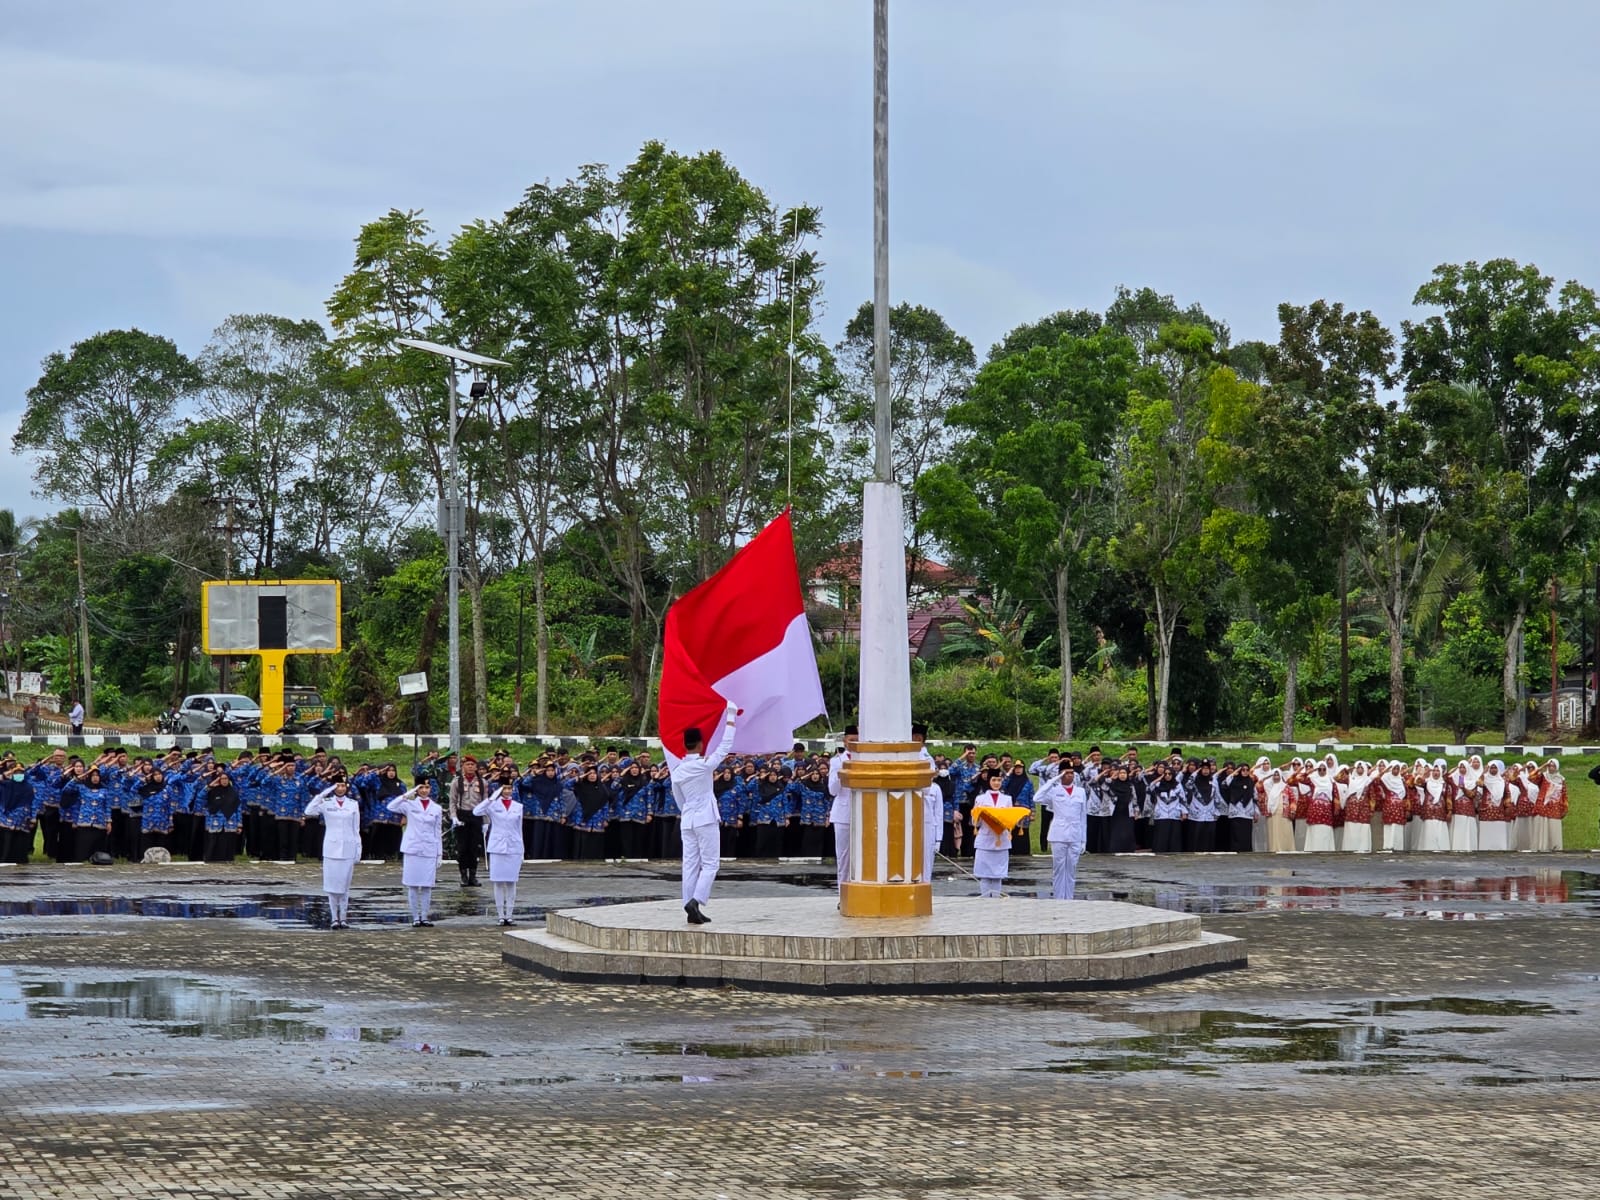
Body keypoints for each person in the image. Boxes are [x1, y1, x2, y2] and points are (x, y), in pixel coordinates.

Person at [669, 701, 738, 925]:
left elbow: (679, 798)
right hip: (705, 818)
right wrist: (730, 717)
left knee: (690, 864)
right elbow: (725, 745)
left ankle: (690, 906)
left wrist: (688, 810)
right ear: (699, 744)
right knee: (710, 864)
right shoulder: (703, 765)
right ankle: (696, 901)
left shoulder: (678, 770)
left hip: (687, 819)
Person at [306, 778, 362, 929]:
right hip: (331, 848)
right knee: (332, 885)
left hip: (348, 847)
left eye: (343, 785)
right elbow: (309, 810)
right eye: (337, 786)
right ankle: (334, 918)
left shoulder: (353, 804)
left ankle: (343, 918)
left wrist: (358, 848)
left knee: (344, 885)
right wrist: (324, 793)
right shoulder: (326, 803)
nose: (341, 788)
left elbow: (356, 828)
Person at [387, 780, 444, 927]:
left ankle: (424, 916)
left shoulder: (436, 808)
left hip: (429, 848)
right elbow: (391, 806)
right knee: (412, 885)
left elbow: (437, 831)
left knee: (427, 885)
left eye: (427, 787)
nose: (424, 790)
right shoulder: (409, 805)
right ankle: (415, 917)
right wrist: (408, 794)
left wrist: (439, 853)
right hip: (412, 848)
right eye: (421, 787)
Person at [473, 774, 525, 925]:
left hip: (514, 846)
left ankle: (509, 914)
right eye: (504, 788)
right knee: (498, 882)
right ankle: (500, 915)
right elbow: (476, 811)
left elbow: (519, 829)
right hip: (497, 846)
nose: (507, 791)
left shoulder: (518, 806)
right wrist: (491, 798)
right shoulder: (493, 806)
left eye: (509, 788)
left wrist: (522, 850)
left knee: (511, 882)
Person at [1035, 766, 1087, 899]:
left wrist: (1083, 839)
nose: (1070, 775)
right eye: (1066, 773)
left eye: (1071, 773)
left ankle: (1069, 898)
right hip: (1058, 834)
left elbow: (1083, 817)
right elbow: (1037, 797)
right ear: (1061, 774)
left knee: (1071, 869)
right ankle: (1058, 898)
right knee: (1059, 868)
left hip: (1075, 833)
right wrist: (1053, 780)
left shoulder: (1080, 791)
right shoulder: (1054, 791)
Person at [827, 724, 857, 893]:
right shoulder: (836, 761)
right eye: (851, 740)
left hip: (864, 812)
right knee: (844, 857)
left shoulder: (866, 759)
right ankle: (843, 894)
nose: (854, 743)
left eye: (857, 740)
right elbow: (832, 790)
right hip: (843, 813)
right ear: (845, 741)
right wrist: (842, 774)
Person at [971, 771, 1012, 897]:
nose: (996, 783)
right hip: (985, 839)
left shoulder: (1007, 799)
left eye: (999, 780)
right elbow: (975, 823)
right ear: (989, 781)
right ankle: (985, 900)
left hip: (1001, 839)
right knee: (984, 874)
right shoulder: (980, 799)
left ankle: (996, 899)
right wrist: (979, 815)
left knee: (998, 875)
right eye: (994, 780)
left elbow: (1010, 819)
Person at [449, 757, 487, 887]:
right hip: (462, 815)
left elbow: (485, 802)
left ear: (476, 767)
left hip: (476, 815)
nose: (470, 767)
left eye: (472, 764)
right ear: (463, 767)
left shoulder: (482, 782)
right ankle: (463, 876)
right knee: (462, 847)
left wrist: (485, 821)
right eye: (468, 764)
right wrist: (454, 817)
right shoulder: (457, 782)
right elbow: (452, 802)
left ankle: (473, 876)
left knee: (474, 847)